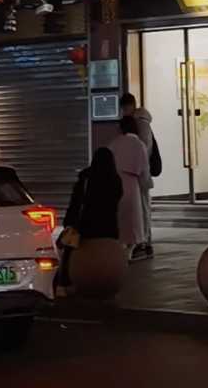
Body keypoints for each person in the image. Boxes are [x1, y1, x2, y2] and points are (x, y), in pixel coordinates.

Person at [60, 144, 124, 292]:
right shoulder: (115, 179)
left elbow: (76, 201)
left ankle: (64, 282)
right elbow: (117, 199)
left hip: (85, 225)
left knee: (69, 252)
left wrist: (69, 221)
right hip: (109, 227)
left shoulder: (86, 177)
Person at [106, 114, 153, 260]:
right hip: (132, 185)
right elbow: (144, 170)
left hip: (115, 184)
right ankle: (130, 251)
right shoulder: (139, 144)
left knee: (120, 219)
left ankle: (120, 250)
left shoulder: (114, 144)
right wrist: (146, 185)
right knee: (133, 221)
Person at [120, 93, 157, 259]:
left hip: (139, 174)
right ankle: (142, 242)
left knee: (142, 209)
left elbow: (144, 149)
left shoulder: (140, 123)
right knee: (139, 209)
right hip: (138, 174)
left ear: (130, 106)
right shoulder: (138, 122)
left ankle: (144, 243)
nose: (123, 111)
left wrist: (140, 172)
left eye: (124, 108)